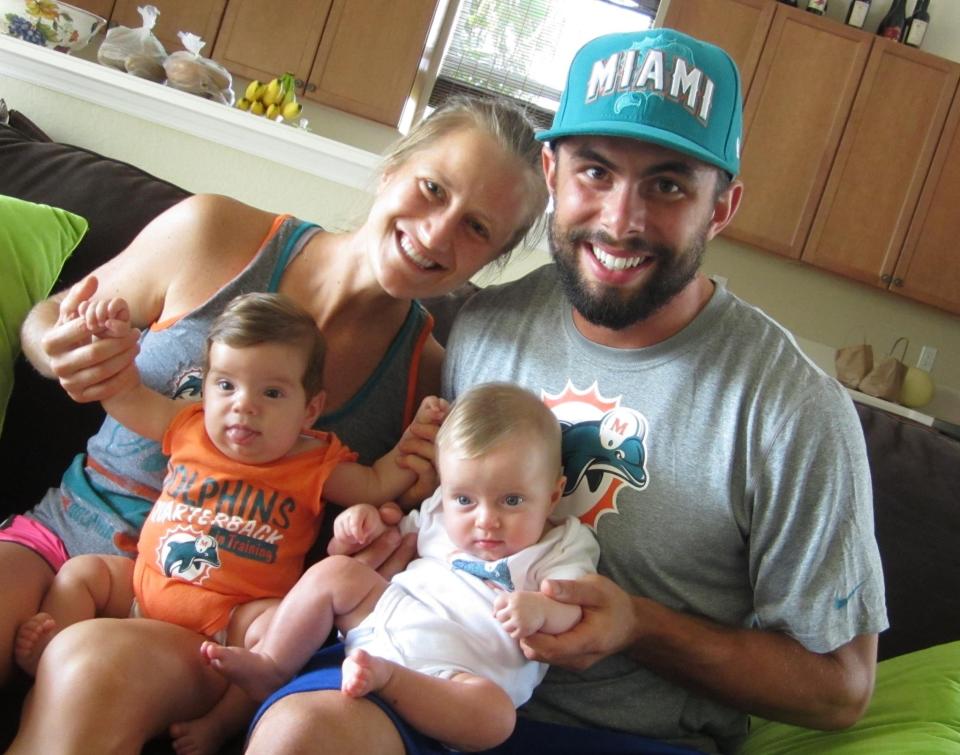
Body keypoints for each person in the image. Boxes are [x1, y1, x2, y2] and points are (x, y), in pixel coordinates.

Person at [247, 29, 888, 755]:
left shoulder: (793, 409)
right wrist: (373, 533)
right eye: (595, 172)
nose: (621, 220)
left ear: (722, 208)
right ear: (551, 172)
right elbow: (433, 510)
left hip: (621, 736)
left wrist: (639, 626)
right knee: (297, 735)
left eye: (669, 184)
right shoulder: (486, 326)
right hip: (422, 677)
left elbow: (840, 688)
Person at [2, 94, 548, 755]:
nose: (437, 233)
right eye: (432, 189)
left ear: (490, 261)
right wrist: (58, 345)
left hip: (206, 612)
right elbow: (50, 317)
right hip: (60, 539)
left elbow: (415, 534)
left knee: (91, 667)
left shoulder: (425, 384)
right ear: (392, 170)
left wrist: (372, 536)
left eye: (477, 228)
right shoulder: (215, 233)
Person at [202, 382, 599, 752]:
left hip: (457, 676)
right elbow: (389, 537)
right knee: (337, 572)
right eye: (464, 499)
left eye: (511, 501)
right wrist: (362, 524)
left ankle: (389, 679)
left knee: (496, 718)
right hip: (389, 618)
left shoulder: (562, 545)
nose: (485, 520)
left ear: (552, 495)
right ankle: (272, 663)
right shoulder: (438, 513)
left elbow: (576, 609)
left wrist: (543, 611)